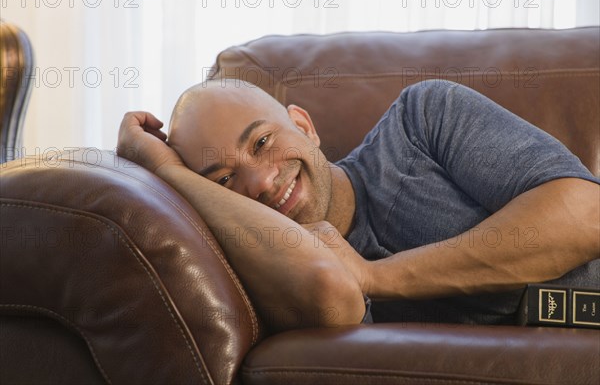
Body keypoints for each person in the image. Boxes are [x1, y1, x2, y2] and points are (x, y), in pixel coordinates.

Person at [117, 79, 599, 331]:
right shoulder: (258, 264)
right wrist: (169, 175)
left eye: (263, 141)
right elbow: (328, 293)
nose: (261, 181)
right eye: (224, 180)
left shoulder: (422, 121)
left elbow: (586, 215)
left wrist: (376, 277)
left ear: (304, 126)